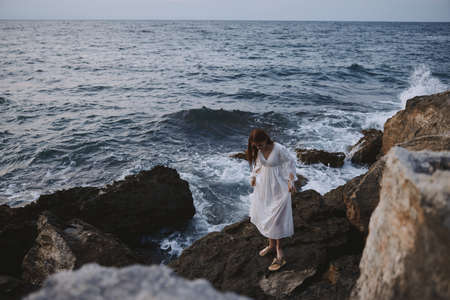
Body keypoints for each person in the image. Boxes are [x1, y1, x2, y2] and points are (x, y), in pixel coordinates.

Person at [248, 128, 297, 271]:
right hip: (264, 186)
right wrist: (253, 177)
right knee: (266, 214)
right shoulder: (258, 150)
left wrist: (291, 181)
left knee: (277, 216)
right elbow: (257, 164)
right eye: (256, 145)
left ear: (265, 139)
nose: (258, 147)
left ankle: (279, 248)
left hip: (278, 185)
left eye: (260, 144)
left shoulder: (279, 149)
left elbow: (291, 163)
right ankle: (270, 245)